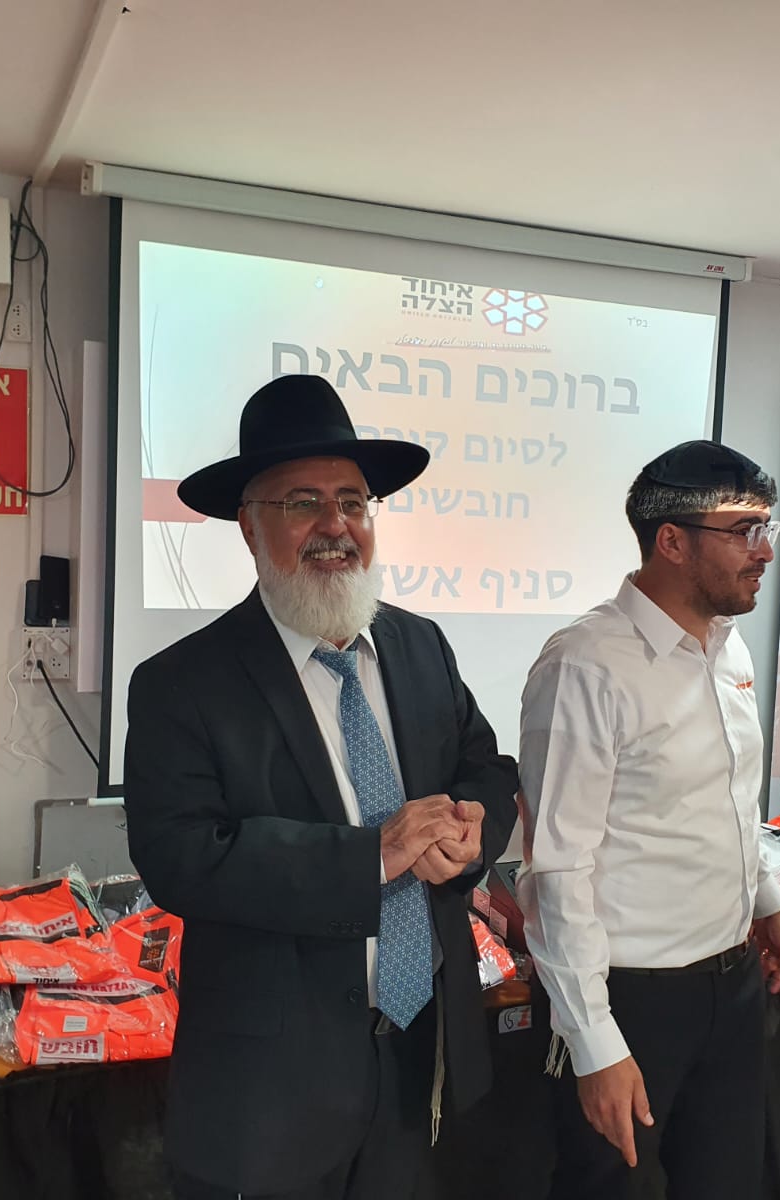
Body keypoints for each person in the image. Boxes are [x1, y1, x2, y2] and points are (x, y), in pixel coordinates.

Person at [124, 375, 519, 1200]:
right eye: (303, 502)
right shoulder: (182, 683)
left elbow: (484, 767)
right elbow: (181, 857)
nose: (336, 526)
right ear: (249, 525)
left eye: (353, 502)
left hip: (419, 1060)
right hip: (270, 1091)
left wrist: (471, 831)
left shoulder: (421, 646)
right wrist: (371, 856)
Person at [517, 439, 780, 1200]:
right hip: (631, 996)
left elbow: (727, 800)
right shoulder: (586, 665)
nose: (764, 550)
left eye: (766, 528)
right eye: (742, 531)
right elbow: (557, 868)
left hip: (731, 979)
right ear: (671, 541)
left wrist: (767, 901)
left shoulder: (725, 646)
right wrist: (594, 1043)